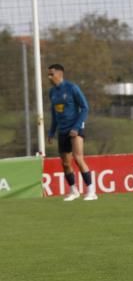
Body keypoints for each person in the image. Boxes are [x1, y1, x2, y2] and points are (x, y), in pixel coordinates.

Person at [47, 63, 97, 201]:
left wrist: (76, 127)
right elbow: (54, 114)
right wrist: (51, 132)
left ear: (59, 74)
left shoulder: (72, 88)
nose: (49, 77)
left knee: (78, 158)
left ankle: (91, 191)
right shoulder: (52, 92)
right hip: (62, 131)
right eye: (48, 74)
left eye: (51, 74)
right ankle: (73, 191)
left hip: (75, 129)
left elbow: (85, 108)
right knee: (65, 163)